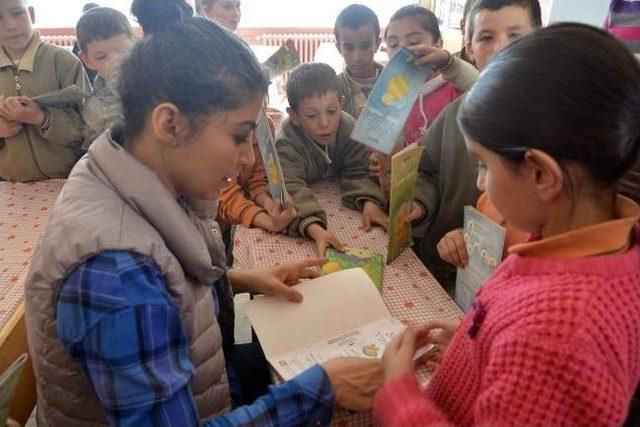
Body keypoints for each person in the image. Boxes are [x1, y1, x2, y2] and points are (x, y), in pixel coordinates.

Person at [24, 6, 383, 426]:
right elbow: (142, 287)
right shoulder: (117, 277)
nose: (248, 156)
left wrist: (240, 280)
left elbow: (164, 280)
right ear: (170, 124)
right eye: (239, 135)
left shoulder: (124, 165)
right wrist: (323, 389)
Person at [376, 23, 640, 426]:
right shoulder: (600, 245)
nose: (479, 181)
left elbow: (542, 352)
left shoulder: (553, 335)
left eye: (483, 165)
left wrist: (400, 396)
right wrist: (478, 346)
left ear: (541, 175)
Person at [412, 0, 542, 292]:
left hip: (524, 292)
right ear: (469, 47)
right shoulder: (453, 116)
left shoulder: (555, 128)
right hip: (451, 273)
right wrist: (420, 204)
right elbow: (427, 171)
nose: (500, 49)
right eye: (486, 37)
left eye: (515, 36)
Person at [276, 62, 388, 256]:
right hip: (308, 205)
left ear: (341, 104)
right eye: (312, 115)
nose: (325, 123)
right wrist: (316, 229)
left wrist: (370, 202)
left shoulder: (349, 128)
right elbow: (290, 187)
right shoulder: (286, 142)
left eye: (331, 111)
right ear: (294, 116)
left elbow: (359, 169)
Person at [0, 0, 90, 181]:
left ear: (31, 14)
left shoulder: (64, 61)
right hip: (10, 185)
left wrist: (41, 118)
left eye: (17, 13)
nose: (11, 25)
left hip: (69, 180)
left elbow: (89, 129)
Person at [75, 6, 134, 149]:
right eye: (102, 57)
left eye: (122, 52)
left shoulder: (157, 83)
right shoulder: (93, 108)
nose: (116, 62)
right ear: (87, 60)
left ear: (134, 43)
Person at [334, 4, 383, 119]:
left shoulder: (395, 83)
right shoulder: (332, 88)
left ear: (377, 44)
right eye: (349, 48)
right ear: (339, 48)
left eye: (365, 46)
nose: (357, 57)